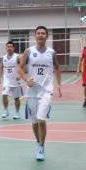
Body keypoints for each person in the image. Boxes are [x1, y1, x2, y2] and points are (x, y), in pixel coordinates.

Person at [19, 26, 62, 161]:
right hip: (32, 92)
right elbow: (20, 68)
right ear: (35, 36)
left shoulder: (52, 53)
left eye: (43, 33)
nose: (41, 35)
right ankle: (38, 142)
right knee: (34, 123)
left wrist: (59, 84)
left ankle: (41, 147)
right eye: (38, 33)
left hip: (46, 91)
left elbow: (57, 68)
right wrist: (26, 78)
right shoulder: (29, 51)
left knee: (41, 120)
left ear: (47, 36)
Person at [0, 41, 22, 120]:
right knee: (4, 94)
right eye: (8, 47)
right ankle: (6, 110)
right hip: (7, 80)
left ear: (13, 48)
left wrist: (20, 75)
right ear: (6, 48)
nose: (9, 48)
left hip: (15, 80)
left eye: (11, 46)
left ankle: (17, 113)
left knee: (16, 98)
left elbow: (22, 66)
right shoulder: (4, 57)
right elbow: (1, 67)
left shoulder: (17, 57)